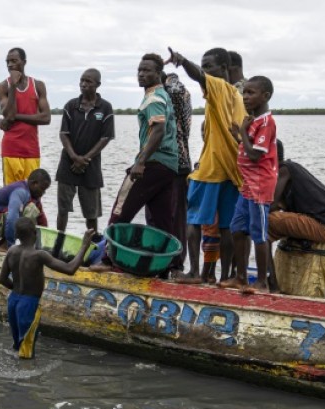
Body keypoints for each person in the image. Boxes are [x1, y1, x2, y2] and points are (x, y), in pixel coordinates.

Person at [166, 47, 247, 284]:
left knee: (193, 220)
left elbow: (198, 76)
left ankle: (194, 273)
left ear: (223, 69)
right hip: (232, 171)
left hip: (211, 168)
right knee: (226, 226)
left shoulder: (219, 87)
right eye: (205, 66)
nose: (205, 70)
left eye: (209, 65)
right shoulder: (236, 96)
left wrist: (181, 61)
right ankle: (225, 277)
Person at [98, 54, 180, 272]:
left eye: (147, 70)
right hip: (169, 166)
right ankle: (168, 267)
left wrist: (140, 162)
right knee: (163, 221)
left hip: (153, 163)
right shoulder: (162, 95)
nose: (142, 74)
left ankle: (108, 260)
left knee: (121, 209)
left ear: (158, 74)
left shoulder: (154, 98)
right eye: (139, 70)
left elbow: (159, 130)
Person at [0, 218, 95, 359]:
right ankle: (25, 379)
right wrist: (84, 246)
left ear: (16, 235)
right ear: (35, 233)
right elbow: (70, 268)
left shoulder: (12, 251)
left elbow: (2, 279)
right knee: (27, 352)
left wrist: (17, 289)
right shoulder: (39, 255)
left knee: (17, 346)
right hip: (28, 304)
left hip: (13, 301)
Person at [218, 76, 278, 293]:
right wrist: (239, 135)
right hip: (247, 185)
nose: (245, 97)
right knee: (236, 228)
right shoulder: (252, 121)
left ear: (266, 96)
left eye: (251, 93)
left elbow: (254, 155)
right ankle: (241, 277)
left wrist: (242, 133)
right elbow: (246, 146)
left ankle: (262, 282)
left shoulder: (266, 122)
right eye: (244, 93)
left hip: (260, 186)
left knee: (258, 233)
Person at [268, 141, 325, 290]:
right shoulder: (288, 169)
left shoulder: (284, 170)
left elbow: (271, 205)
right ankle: (269, 277)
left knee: (264, 223)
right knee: (266, 225)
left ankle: (271, 283)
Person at [55, 68, 115, 234]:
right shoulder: (71, 106)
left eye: (88, 81)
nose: (83, 84)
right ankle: (59, 241)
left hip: (91, 165)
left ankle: (92, 244)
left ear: (98, 85)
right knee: (63, 209)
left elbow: (106, 137)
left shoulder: (105, 108)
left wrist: (85, 159)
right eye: (82, 80)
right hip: (68, 163)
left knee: (91, 212)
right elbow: (63, 134)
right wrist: (74, 157)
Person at [0, 48, 52, 185]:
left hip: (31, 150)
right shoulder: (2, 87)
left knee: (32, 194)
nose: (10, 65)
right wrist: (13, 86)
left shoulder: (38, 85)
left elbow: (46, 118)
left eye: (14, 61)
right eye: (7, 62)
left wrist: (13, 118)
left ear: (24, 62)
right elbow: (9, 114)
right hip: (11, 149)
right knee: (11, 194)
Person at [159, 70, 192, 275]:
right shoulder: (157, 98)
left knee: (177, 217)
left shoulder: (176, 92)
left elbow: (177, 89)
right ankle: (160, 261)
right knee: (159, 217)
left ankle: (176, 264)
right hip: (159, 164)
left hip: (178, 164)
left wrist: (166, 78)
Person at [0, 168, 51, 252]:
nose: (43, 193)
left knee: (32, 210)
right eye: (42, 189)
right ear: (34, 184)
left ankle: (2, 244)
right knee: (30, 210)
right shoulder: (20, 191)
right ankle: (7, 246)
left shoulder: (33, 195)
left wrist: (45, 245)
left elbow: (41, 219)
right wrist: (11, 246)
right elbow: (12, 218)